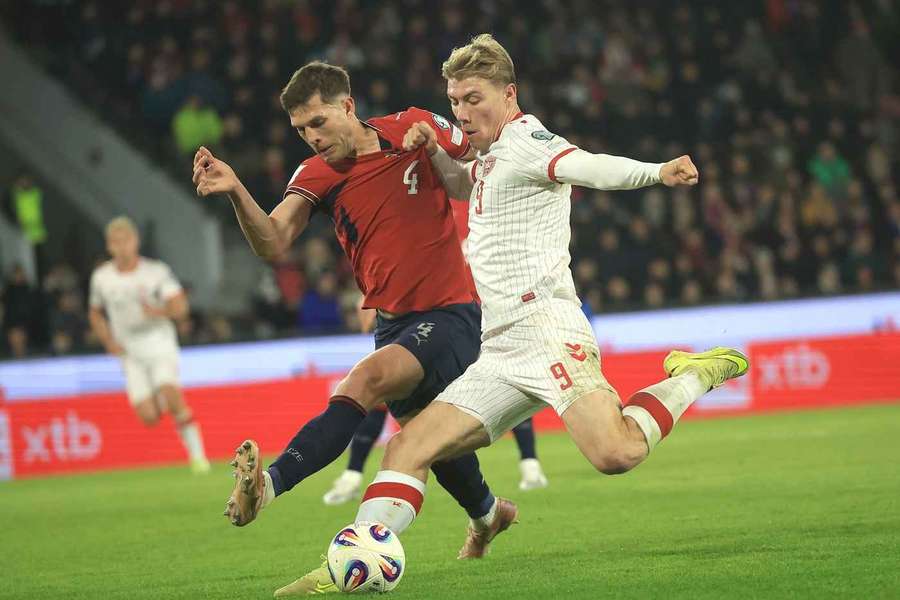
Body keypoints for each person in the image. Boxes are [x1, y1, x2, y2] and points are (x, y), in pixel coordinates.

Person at [319, 33, 750, 568]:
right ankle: (351, 564)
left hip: (546, 327)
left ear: (508, 94)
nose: (462, 111)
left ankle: (692, 374)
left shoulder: (528, 141)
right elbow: (460, 185)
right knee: (406, 448)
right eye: (454, 101)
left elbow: (589, 167)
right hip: (497, 347)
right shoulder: (490, 154)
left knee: (615, 453)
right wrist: (434, 149)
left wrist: (656, 172)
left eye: (473, 98)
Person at [192, 61, 515, 596]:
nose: (312, 137)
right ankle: (488, 515)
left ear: (347, 105)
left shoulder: (413, 126)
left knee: (361, 383)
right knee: (428, 444)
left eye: (318, 122)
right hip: (393, 326)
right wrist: (236, 191)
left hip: (452, 313)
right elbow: (273, 241)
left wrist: (437, 146)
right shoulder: (315, 175)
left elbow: (482, 165)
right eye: (300, 130)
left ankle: (267, 486)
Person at [88, 217, 210, 473]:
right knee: (149, 417)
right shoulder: (102, 278)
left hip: (158, 342)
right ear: (109, 246)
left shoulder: (155, 272)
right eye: (116, 242)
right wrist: (108, 340)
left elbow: (181, 308)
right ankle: (160, 394)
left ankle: (199, 458)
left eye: (126, 240)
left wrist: (157, 311)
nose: (122, 247)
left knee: (170, 391)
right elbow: (95, 312)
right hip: (129, 351)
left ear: (135, 242)